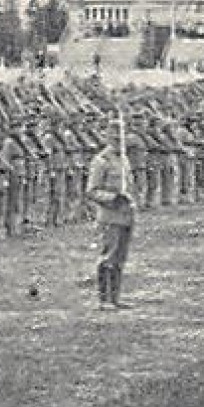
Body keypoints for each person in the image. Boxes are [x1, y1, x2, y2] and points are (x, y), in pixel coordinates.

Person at [84, 120, 136, 310]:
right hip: (110, 215)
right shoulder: (101, 161)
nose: (118, 142)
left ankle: (115, 297)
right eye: (114, 138)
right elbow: (92, 190)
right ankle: (104, 299)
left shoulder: (124, 159)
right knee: (108, 256)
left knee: (120, 258)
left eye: (120, 138)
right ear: (107, 138)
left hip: (126, 215)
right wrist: (113, 198)